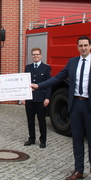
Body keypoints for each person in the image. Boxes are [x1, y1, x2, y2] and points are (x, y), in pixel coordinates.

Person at [31, 36, 91, 180]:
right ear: (77, 47)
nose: (83, 48)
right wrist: (39, 85)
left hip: (89, 105)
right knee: (77, 139)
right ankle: (79, 170)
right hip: (75, 104)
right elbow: (57, 78)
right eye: (80, 46)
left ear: (90, 46)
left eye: (85, 45)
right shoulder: (72, 62)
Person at [23, 48, 51, 148]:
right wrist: (23, 96)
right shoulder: (28, 67)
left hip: (41, 99)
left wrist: (47, 98)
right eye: (34, 54)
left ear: (41, 55)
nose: (35, 56)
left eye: (37, 54)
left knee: (41, 120)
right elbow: (24, 83)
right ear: (31, 56)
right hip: (30, 98)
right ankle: (31, 138)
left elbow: (49, 84)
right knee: (30, 120)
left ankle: (43, 140)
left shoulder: (46, 68)